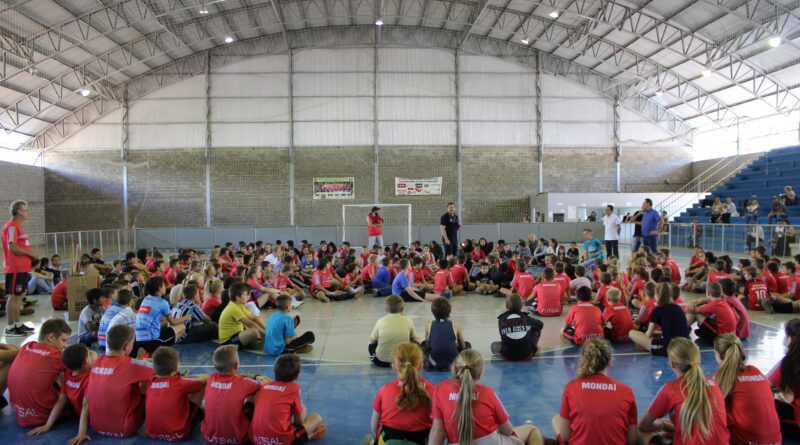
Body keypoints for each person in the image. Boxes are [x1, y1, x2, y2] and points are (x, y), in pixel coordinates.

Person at [428, 350, 544, 445]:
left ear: (455, 369)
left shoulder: (440, 390)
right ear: (480, 372)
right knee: (531, 430)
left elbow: (438, 431)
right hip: (490, 441)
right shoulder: (488, 393)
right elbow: (508, 430)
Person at [638, 338, 730, 445]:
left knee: (639, 433)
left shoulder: (670, 389)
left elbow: (643, 425)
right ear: (697, 360)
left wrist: (662, 425)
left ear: (672, 364)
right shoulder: (713, 383)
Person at [552, 339, 637, 445]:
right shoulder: (626, 391)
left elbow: (565, 436)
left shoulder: (571, 387)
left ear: (584, 360)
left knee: (556, 419)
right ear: (609, 361)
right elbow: (631, 440)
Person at [81, 324, 154, 439]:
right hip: (124, 429)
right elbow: (162, 368)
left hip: (96, 426)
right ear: (126, 346)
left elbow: (86, 402)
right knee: (155, 382)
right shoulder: (131, 363)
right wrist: (145, 362)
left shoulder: (97, 362)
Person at [712, 334, 781, 445]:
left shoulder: (720, 377)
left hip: (747, 441)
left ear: (717, 355)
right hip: (776, 441)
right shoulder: (755, 371)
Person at [250, 354, 327, 445]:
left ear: (274, 370)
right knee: (316, 417)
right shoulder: (294, 388)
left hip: (254, 438)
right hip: (281, 441)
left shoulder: (264, 386)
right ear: (297, 376)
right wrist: (304, 410)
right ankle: (308, 435)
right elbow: (299, 422)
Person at [6, 319, 71, 427]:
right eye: (63, 341)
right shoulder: (57, 356)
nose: (65, 345)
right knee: (78, 378)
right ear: (50, 337)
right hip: (42, 416)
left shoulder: (28, 346)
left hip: (18, 411)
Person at [201, 345, 268, 445]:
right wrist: (255, 376)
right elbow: (267, 383)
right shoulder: (243, 383)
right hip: (238, 438)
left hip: (209, 437)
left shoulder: (211, 379)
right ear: (236, 365)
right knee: (259, 391)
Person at [369, 342, 434, 445]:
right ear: (421, 366)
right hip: (419, 440)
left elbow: (374, 426)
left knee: (369, 439)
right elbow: (438, 428)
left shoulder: (384, 390)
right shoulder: (433, 391)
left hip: (388, 441)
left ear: (394, 367)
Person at [27, 343, 96, 437]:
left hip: (80, 413)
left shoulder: (68, 375)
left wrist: (48, 425)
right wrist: (81, 433)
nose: (91, 354)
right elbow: (85, 405)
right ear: (85, 362)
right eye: (89, 354)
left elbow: (61, 400)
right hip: (93, 416)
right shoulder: (90, 378)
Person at [145, 347, 207, 441]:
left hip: (151, 432)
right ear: (176, 367)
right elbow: (205, 378)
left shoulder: (149, 381)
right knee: (200, 386)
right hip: (178, 434)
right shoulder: (179, 382)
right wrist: (187, 377)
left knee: (174, 394)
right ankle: (199, 412)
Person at [3, 200, 37, 336]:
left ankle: (17, 324)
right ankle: (10, 327)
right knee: (14, 296)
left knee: (20, 295)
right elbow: (12, 246)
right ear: (18, 211)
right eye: (25, 210)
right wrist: (30, 253)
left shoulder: (18, 227)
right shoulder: (11, 227)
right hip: (15, 267)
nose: (27, 212)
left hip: (23, 267)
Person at [629, 283, 690, 356]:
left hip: (669, 347)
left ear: (657, 295)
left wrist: (643, 340)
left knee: (632, 333)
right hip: (685, 345)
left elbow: (648, 334)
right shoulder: (678, 308)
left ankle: (652, 347)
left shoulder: (657, 310)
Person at [135, 277, 190, 354]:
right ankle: (161, 350)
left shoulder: (146, 299)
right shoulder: (163, 303)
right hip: (151, 341)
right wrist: (185, 317)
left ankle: (149, 350)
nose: (165, 287)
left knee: (163, 323)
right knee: (182, 327)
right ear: (159, 288)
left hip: (138, 339)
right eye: (164, 285)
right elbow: (173, 322)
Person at [491, 294, 544, 361]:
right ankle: (533, 347)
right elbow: (541, 325)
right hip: (526, 355)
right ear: (521, 306)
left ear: (507, 306)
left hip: (507, 356)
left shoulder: (501, 319)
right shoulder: (525, 318)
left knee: (493, 346)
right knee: (537, 326)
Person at [369, 295, 417, 367]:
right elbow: (414, 338)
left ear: (385, 309)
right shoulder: (408, 320)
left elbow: (372, 341)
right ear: (402, 309)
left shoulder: (380, 321)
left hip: (381, 362)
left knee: (371, 344)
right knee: (413, 341)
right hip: (402, 361)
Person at [423, 297, 468, 371]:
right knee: (467, 345)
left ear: (433, 311)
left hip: (434, 363)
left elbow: (427, 346)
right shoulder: (455, 325)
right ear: (449, 311)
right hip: (453, 363)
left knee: (423, 348)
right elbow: (463, 346)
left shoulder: (428, 325)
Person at [219, 281, 266, 349]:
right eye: (246, 294)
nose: (249, 297)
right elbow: (250, 324)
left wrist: (266, 329)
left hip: (237, 334)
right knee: (254, 332)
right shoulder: (233, 308)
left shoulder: (240, 305)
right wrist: (266, 334)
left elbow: (254, 318)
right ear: (238, 297)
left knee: (258, 327)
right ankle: (256, 343)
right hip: (228, 342)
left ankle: (258, 339)